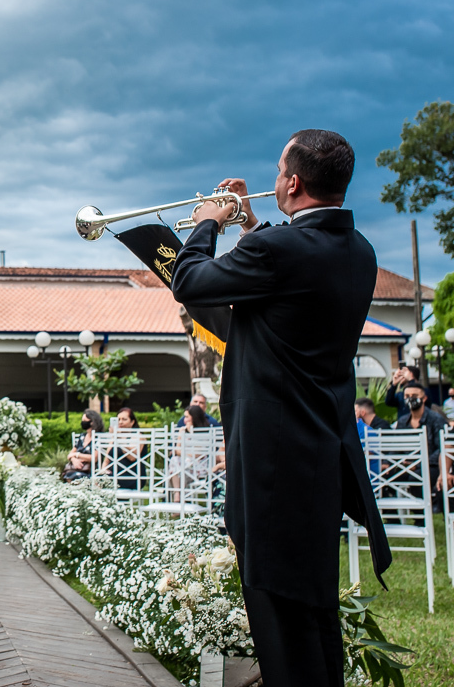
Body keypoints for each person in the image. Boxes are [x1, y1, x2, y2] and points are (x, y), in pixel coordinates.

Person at [171, 129, 389, 687]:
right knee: (312, 611)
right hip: (321, 452)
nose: (271, 181)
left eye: (276, 171)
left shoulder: (279, 251)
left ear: (292, 182)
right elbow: (289, 282)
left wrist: (208, 220)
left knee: (277, 612)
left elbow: (191, 281)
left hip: (270, 460)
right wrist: (250, 223)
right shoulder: (358, 251)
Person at [63, 410, 103, 482]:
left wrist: (77, 455)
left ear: (92, 422)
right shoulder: (82, 437)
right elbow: (70, 455)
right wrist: (74, 460)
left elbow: (94, 458)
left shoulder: (99, 438)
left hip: (92, 470)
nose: (82, 422)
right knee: (68, 474)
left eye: (84, 420)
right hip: (78, 468)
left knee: (74, 475)